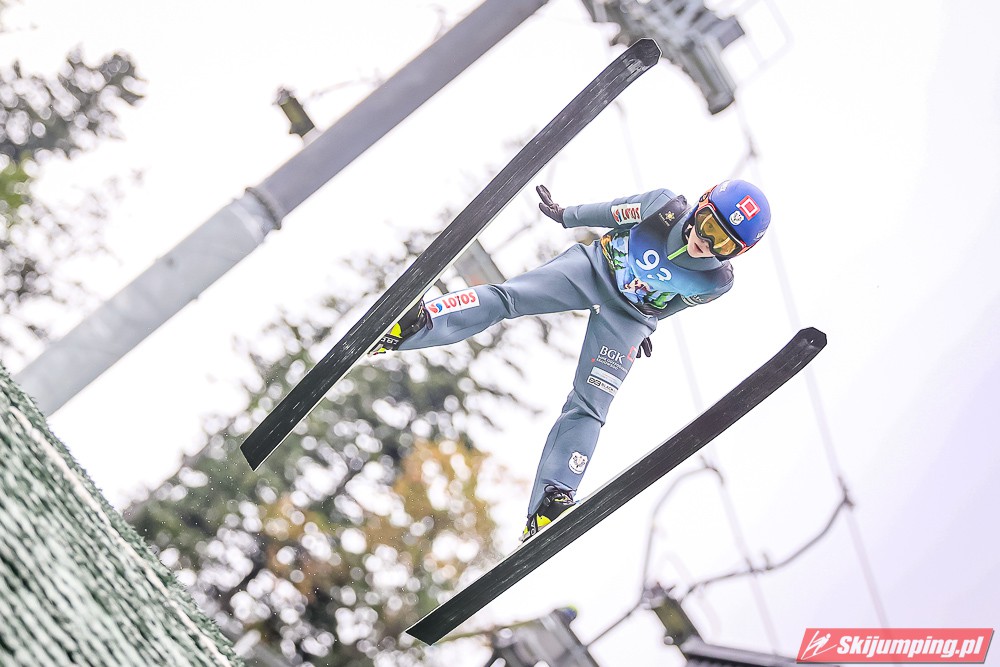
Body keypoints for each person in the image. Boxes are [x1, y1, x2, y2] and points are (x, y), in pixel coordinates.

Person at [371, 179, 771, 542]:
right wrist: (566, 215)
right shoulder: (662, 206)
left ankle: (552, 498)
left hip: (628, 318)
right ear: (700, 204)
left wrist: (648, 325)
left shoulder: (716, 282)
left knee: (591, 405)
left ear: (738, 252)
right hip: (593, 268)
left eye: (722, 244)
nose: (705, 241)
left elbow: (674, 305)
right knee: (510, 297)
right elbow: (613, 211)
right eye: (707, 224)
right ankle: (419, 324)